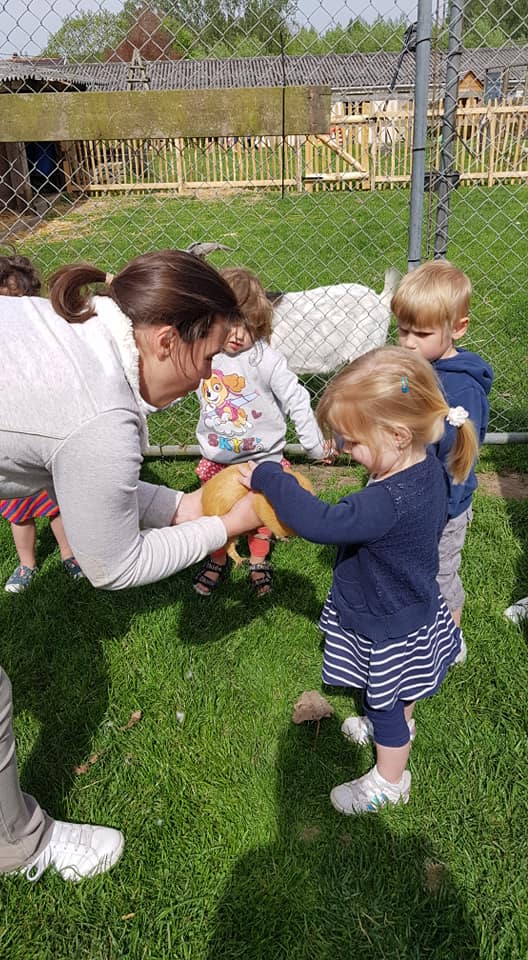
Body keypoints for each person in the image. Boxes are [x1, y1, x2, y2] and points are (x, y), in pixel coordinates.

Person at [0, 249, 261, 881]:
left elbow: (94, 486)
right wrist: (223, 527)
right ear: (168, 340)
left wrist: (184, 505)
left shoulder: (79, 327)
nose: (206, 381)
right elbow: (110, 565)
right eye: (206, 361)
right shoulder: (105, 412)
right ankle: (19, 847)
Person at [239, 346, 479, 815]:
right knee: (399, 692)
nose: (346, 450)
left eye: (352, 440)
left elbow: (321, 523)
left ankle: (391, 780)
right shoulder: (426, 466)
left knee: (387, 702)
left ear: (396, 434)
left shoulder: (383, 502)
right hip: (412, 606)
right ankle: (394, 726)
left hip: (386, 619)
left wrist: (272, 475)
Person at [193, 266, 328, 598]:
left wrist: (313, 444)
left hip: (261, 460)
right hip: (218, 459)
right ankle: (218, 557)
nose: (238, 334)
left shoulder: (265, 360)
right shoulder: (203, 355)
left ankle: (257, 559)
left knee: (262, 514)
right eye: (231, 321)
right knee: (214, 512)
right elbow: (168, 387)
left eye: (249, 325)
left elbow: (297, 396)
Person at [393, 259, 493, 628]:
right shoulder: (413, 367)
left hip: (445, 505)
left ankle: (451, 636)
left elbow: (460, 458)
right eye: (402, 331)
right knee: (409, 566)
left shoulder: (463, 389)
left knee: (441, 573)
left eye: (421, 334)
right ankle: (415, 626)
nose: (408, 343)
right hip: (412, 495)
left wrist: (446, 508)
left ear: (458, 328)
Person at [0, 252, 83, 592]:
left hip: (45, 438)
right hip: (11, 448)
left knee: (58, 503)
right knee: (19, 512)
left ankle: (70, 554)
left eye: (19, 301)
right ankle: (26, 563)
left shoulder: (41, 339)